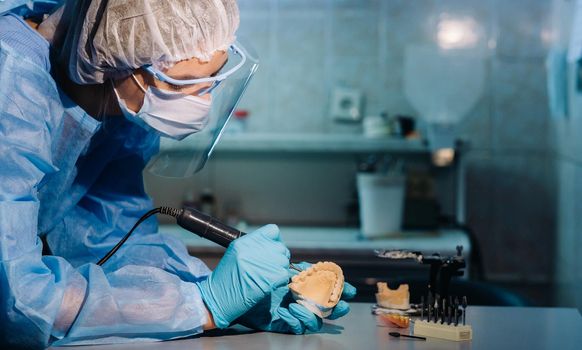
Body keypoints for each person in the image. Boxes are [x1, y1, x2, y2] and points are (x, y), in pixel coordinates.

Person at [0, 0, 356, 348]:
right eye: (182, 82)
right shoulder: (11, 90)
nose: (201, 102)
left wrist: (230, 294)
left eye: (210, 79)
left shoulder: (117, 105)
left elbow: (111, 244)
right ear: (117, 59)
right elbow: (19, 303)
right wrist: (201, 305)